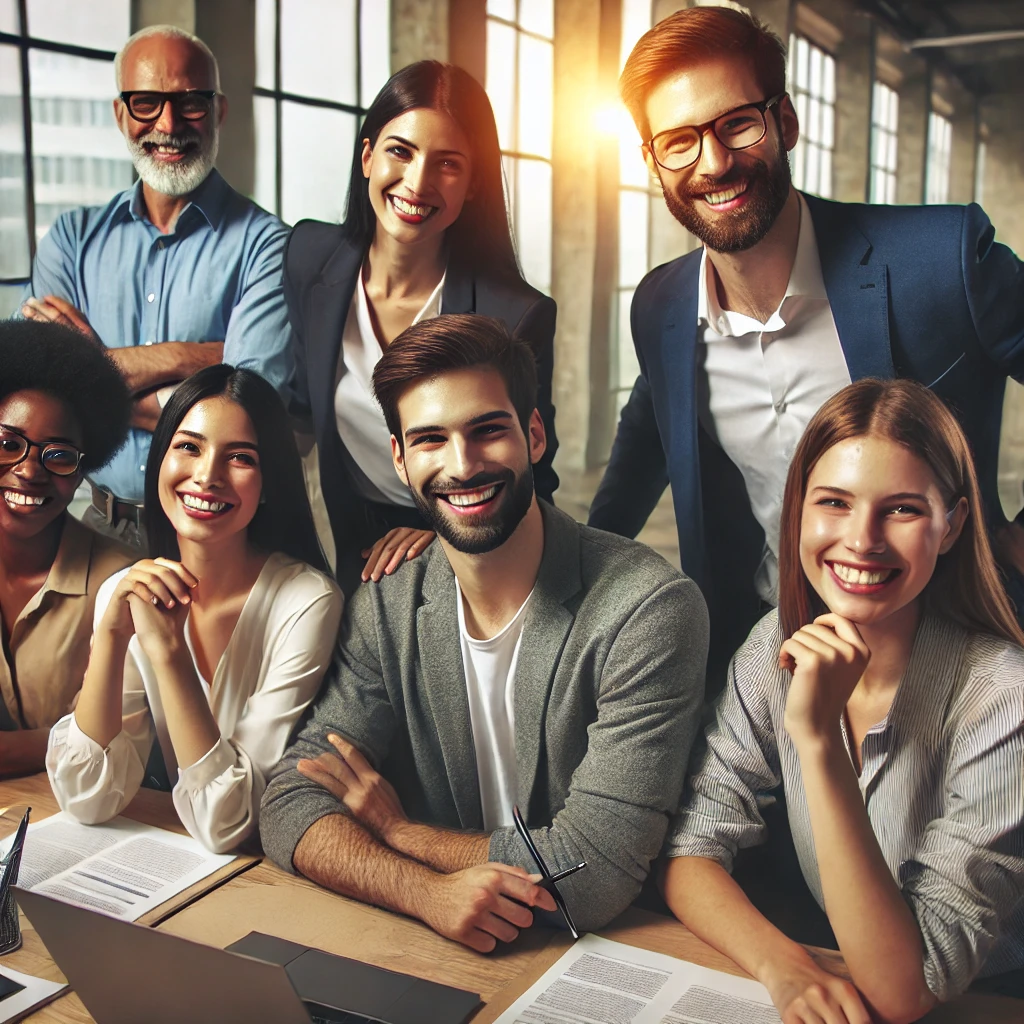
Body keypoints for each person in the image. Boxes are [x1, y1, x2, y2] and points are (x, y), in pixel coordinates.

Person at [589, 6, 1024, 686]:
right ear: (651, 160)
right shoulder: (661, 305)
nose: (714, 162)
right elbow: (649, 431)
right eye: (678, 141)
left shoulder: (944, 262)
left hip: (958, 655)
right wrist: (583, 569)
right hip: (775, 652)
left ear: (784, 122)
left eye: (737, 123)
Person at [260, 314, 707, 950]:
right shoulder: (387, 604)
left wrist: (400, 833)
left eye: (488, 431)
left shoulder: (648, 610)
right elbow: (288, 803)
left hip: (601, 958)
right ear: (400, 458)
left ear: (534, 435)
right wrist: (427, 893)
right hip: (436, 945)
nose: (462, 465)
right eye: (430, 440)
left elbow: (593, 874)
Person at [663, 378, 1024, 1024]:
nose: (862, 540)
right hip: (843, 977)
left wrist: (818, 738)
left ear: (953, 526)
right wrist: (784, 968)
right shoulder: (771, 647)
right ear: (799, 508)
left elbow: (909, 989)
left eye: (903, 509)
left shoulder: (1004, 698)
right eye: (834, 502)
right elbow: (692, 849)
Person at [284, 60, 559, 592]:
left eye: (448, 164)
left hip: (471, 541)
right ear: (367, 156)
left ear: (474, 183)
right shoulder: (308, 257)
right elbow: (297, 406)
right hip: (355, 549)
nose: (417, 182)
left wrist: (442, 527)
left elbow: (533, 472)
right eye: (400, 151)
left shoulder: (514, 313)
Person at [46, 366, 342, 853]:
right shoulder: (126, 591)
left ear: (268, 482)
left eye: (241, 457)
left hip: (270, 874)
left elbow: (230, 825)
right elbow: (85, 799)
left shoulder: (306, 601)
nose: (207, 476)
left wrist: (167, 652)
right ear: (160, 461)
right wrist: (113, 639)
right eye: (188, 447)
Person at [21, 25, 292, 549]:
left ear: (219, 111)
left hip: (223, 535)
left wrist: (99, 373)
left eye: (191, 102)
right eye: (147, 103)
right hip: (96, 528)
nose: (169, 124)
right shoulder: (71, 241)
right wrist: (213, 359)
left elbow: (252, 404)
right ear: (121, 115)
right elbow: (41, 391)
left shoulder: (268, 245)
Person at [0, 321, 133, 777]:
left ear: (82, 471)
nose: (29, 471)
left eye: (57, 455)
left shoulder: (119, 582)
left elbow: (98, 741)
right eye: (8, 444)